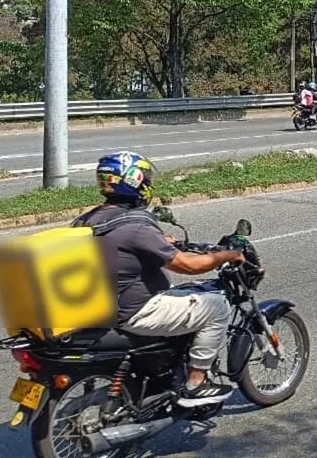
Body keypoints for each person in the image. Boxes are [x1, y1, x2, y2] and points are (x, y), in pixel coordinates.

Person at [73, 151, 246, 408]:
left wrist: (159, 243)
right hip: (134, 312)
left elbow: (120, 249)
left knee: (180, 296)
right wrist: (227, 255)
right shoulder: (138, 226)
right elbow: (188, 265)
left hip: (100, 307)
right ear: (134, 183)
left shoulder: (89, 219)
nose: (148, 187)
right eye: (146, 181)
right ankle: (196, 383)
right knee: (217, 306)